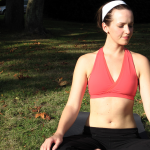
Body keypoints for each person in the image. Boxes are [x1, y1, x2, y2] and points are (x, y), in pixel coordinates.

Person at [40, 0, 150, 150]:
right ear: (106, 27)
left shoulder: (140, 62)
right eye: (121, 25)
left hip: (128, 139)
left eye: (130, 25)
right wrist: (58, 133)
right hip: (92, 138)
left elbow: (149, 104)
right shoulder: (86, 61)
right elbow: (72, 105)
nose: (128, 31)